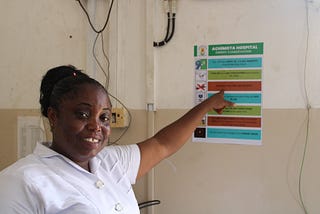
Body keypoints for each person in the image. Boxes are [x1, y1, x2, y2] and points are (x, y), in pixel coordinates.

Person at [0, 65, 235, 213]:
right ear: (54, 116)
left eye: (104, 117)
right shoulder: (20, 181)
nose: (96, 126)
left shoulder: (111, 162)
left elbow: (163, 144)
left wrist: (208, 105)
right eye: (82, 114)